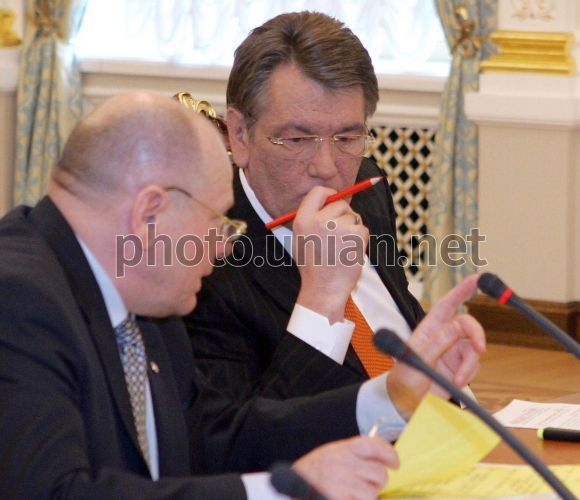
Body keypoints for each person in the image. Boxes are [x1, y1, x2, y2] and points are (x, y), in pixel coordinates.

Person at [0, 91, 405, 499]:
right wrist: (279, 493)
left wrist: (391, 396)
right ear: (149, 214)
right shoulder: (17, 300)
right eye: (217, 221)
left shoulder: (147, 299)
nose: (224, 246)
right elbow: (50, 493)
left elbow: (215, 442)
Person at [185, 10, 428, 403]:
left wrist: (438, 363)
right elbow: (241, 432)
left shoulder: (368, 187)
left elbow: (391, 315)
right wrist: (323, 299)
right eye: (297, 140)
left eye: (346, 138)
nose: (327, 169)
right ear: (240, 134)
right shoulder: (204, 259)